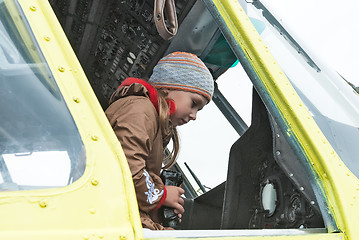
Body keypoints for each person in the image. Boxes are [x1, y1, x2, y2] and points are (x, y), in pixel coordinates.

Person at [105, 52, 214, 230]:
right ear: (170, 86)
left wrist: (160, 218)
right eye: (194, 103)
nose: (194, 116)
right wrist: (161, 195)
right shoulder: (140, 111)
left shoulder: (152, 120)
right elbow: (126, 170)